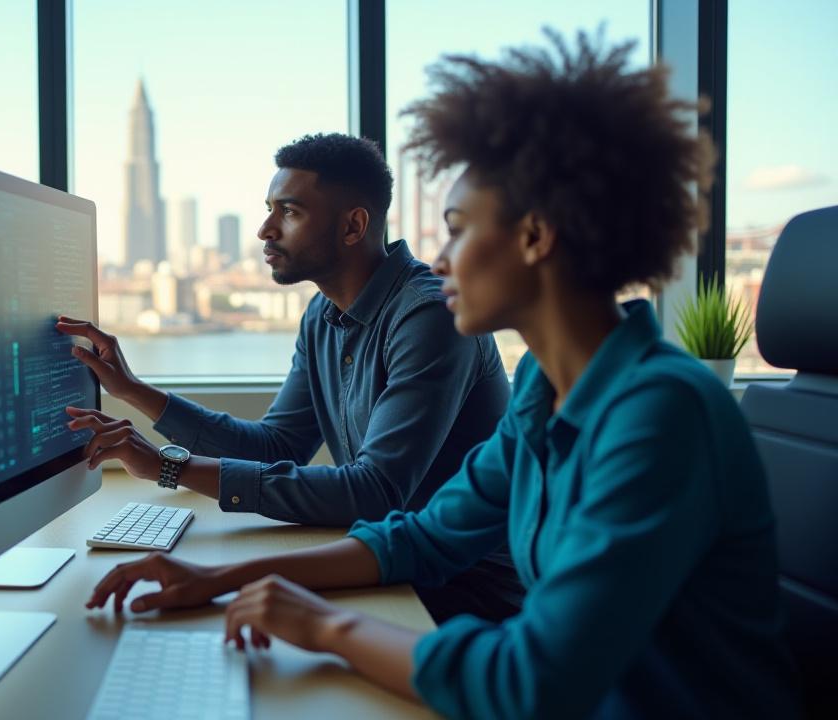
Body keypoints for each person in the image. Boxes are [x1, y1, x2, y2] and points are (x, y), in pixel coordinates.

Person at [84, 30, 799, 719]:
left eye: (458, 228)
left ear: (535, 236)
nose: (442, 258)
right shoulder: (545, 393)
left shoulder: (661, 413)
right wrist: (220, 580)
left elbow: (530, 684)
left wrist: (325, 626)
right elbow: (419, 537)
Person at [59, 132, 521, 624]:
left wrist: (169, 467)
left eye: (289, 212)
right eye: (269, 209)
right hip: (386, 563)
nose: (265, 229)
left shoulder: (428, 317)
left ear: (353, 226)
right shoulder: (322, 315)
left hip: (467, 595)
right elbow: (278, 445)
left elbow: (375, 492)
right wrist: (133, 391)